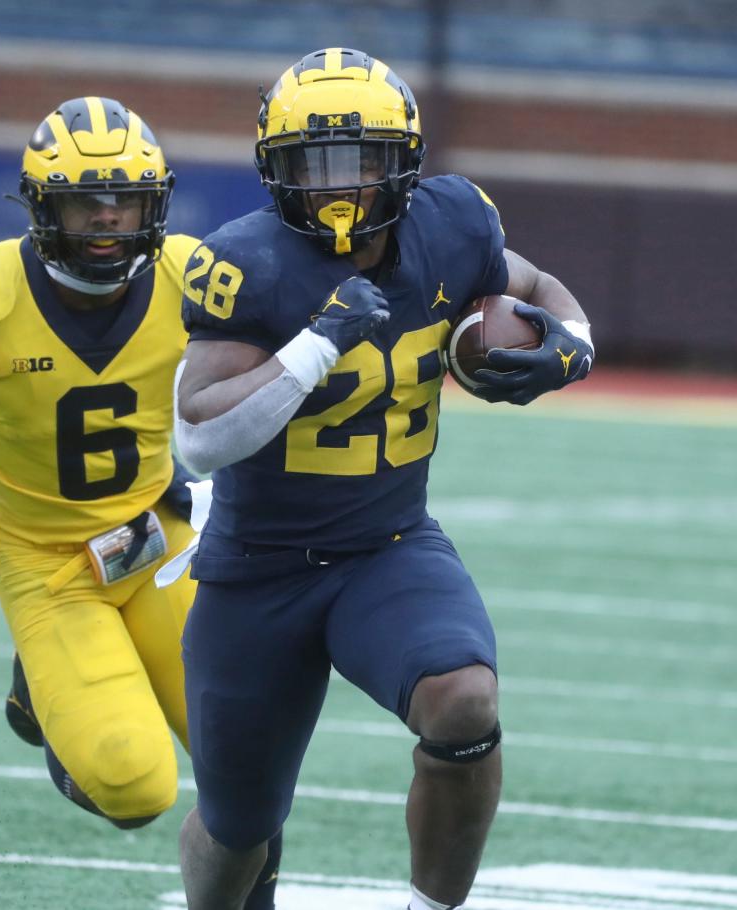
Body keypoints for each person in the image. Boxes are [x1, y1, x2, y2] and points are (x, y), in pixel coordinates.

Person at [171, 48, 594, 910]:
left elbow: (536, 284)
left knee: (465, 699)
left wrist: (574, 342)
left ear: (402, 160)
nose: (337, 186)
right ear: (271, 169)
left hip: (386, 546)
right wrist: (316, 344)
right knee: (238, 823)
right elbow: (199, 438)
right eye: (310, 162)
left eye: (358, 159)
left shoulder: (455, 223)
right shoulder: (244, 261)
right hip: (259, 567)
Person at [0, 96, 281, 908]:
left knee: (250, 759)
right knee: (136, 785)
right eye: (87, 199)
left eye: (127, 199)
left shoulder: (190, 274)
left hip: (159, 533)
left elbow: (268, 386)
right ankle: (44, 691)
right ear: (43, 207)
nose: (109, 220)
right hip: (48, 566)